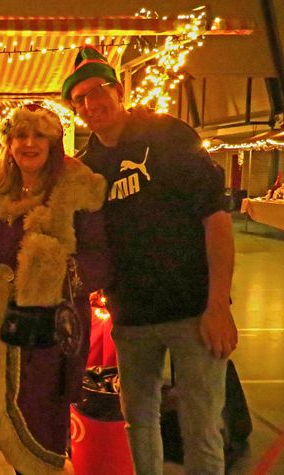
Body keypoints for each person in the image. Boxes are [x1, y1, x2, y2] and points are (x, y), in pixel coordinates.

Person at [61, 46, 237, 474]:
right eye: (80, 98)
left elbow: (215, 218)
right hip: (132, 319)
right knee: (138, 423)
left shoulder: (168, 136)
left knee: (201, 427)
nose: (91, 103)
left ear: (118, 91)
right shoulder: (88, 167)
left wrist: (218, 305)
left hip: (193, 310)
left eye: (98, 91)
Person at [0, 104, 111, 475]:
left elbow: (101, 259)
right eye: (20, 135)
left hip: (49, 328)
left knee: (42, 414)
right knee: (5, 409)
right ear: (8, 143)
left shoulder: (76, 184)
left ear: (53, 141)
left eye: (39, 135)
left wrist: (53, 271)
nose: (29, 143)